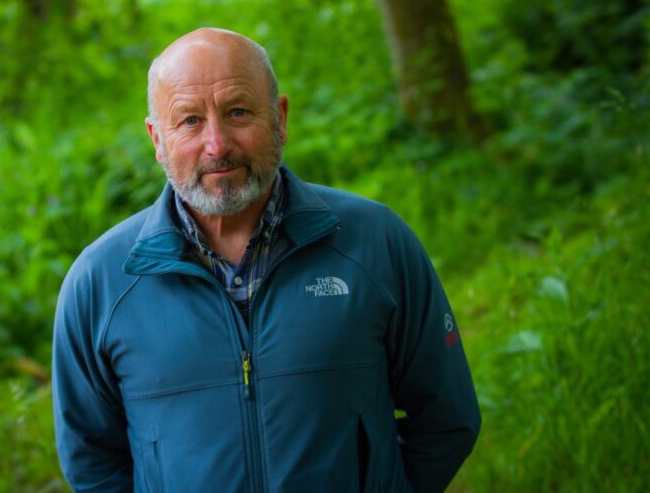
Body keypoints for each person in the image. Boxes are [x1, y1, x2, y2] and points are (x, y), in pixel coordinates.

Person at [52, 28, 480, 493]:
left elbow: (447, 418)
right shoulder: (101, 282)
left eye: (237, 111)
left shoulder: (374, 243)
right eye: (190, 121)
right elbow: (92, 461)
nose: (217, 144)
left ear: (279, 118)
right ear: (158, 139)